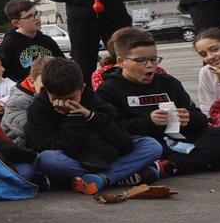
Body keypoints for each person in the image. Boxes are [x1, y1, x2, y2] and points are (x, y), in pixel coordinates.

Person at [91, 28, 220, 175]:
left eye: (154, 59)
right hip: (148, 142)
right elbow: (112, 129)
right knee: (146, 148)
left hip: (180, 138)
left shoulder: (167, 82)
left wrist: (189, 117)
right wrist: (149, 121)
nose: (150, 65)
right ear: (121, 61)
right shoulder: (109, 89)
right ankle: (215, 159)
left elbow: (199, 118)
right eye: (141, 60)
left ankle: (169, 166)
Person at [25, 59, 163, 194]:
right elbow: (61, 149)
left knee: (151, 146)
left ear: (82, 89)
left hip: (105, 154)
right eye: (55, 98)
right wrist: (73, 118)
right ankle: (122, 173)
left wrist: (90, 116)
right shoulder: (38, 110)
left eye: (71, 98)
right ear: (46, 90)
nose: (63, 103)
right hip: (74, 159)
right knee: (48, 159)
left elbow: (124, 141)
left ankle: (103, 178)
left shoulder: (94, 100)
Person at [0, 51, 56, 148]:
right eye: (46, 86)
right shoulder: (16, 101)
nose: (52, 90)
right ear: (31, 81)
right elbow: (32, 130)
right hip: (19, 149)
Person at [0, 0, 63, 76]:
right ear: (16, 23)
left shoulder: (47, 40)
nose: (37, 18)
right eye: (30, 16)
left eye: (36, 13)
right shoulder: (8, 44)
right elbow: (1, 74)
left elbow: (62, 65)